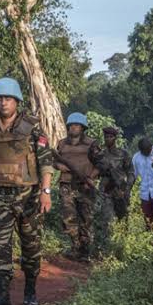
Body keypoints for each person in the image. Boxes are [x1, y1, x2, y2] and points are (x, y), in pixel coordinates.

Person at [0, 77, 53, 305]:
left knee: (31, 246)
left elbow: (45, 162)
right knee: (0, 245)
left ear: (17, 101)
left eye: (7, 98)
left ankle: (30, 291)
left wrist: (45, 192)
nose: (3, 102)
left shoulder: (33, 127)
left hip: (27, 195)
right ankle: (3, 297)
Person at [54, 112, 101, 261]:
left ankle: (85, 251)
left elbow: (100, 164)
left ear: (83, 128)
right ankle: (75, 246)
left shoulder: (92, 143)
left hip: (85, 186)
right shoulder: (61, 144)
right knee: (68, 217)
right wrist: (62, 167)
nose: (74, 127)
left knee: (86, 218)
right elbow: (53, 162)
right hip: (67, 184)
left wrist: (90, 178)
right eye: (71, 125)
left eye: (77, 125)